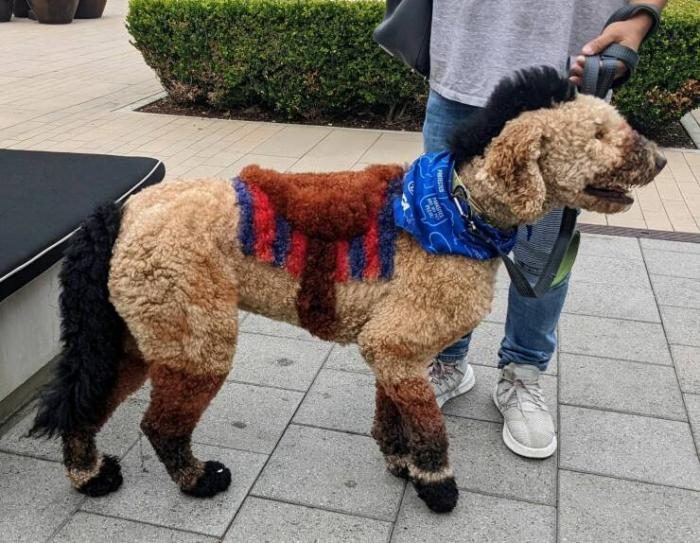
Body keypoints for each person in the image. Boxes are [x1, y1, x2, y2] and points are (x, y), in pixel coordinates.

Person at [425, 0, 666, 459]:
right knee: (444, 246)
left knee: (541, 259)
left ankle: (522, 372)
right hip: (461, 68)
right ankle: (446, 358)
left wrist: (640, 18)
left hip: (568, 80)